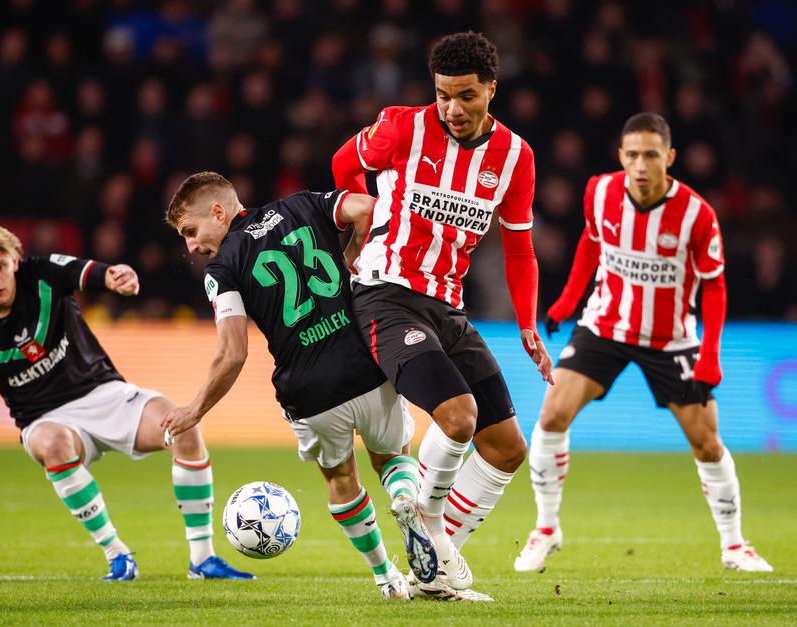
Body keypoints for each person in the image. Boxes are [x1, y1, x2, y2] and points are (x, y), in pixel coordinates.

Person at [161, 172, 490, 601]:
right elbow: (369, 209)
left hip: (308, 390)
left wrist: (194, 410)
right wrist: (352, 254)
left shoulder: (222, 268)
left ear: (218, 212)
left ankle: (386, 578)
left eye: (191, 231)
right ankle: (407, 499)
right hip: (364, 364)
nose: (191, 246)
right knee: (392, 456)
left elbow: (233, 353)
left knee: (340, 478)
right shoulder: (302, 205)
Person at [331, 31, 552, 595]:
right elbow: (343, 163)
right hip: (385, 293)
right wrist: (358, 221)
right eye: (442, 95)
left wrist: (528, 323)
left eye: (466, 96)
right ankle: (426, 524)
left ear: (491, 91)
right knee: (458, 416)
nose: (452, 109)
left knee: (507, 449)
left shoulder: (516, 157)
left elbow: (521, 248)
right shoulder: (403, 126)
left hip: (448, 305)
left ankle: (432, 565)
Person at [513, 113, 773, 573]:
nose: (640, 164)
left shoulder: (697, 213)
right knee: (551, 414)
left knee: (707, 443)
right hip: (605, 326)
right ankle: (546, 528)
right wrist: (567, 302)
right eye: (632, 154)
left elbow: (714, 286)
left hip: (670, 339)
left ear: (669, 158)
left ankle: (734, 545)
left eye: (651, 155)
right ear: (620, 156)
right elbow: (592, 243)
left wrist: (710, 354)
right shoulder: (600, 191)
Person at [0, 223, 254, 581]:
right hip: (45, 419)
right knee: (54, 443)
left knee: (185, 428)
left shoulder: (42, 274)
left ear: (15, 261)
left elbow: (90, 272)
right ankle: (117, 555)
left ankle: (202, 559)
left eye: (0, 266)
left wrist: (115, 276)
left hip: (104, 392)